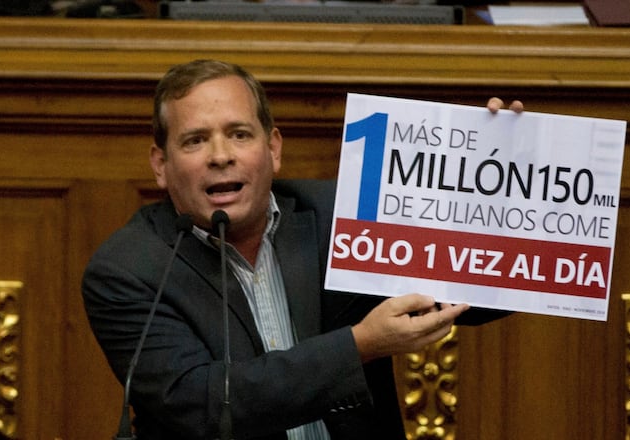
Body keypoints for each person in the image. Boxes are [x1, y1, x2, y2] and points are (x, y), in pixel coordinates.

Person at [82, 59, 521, 440]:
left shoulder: (343, 218)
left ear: (273, 149)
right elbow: (205, 406)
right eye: (195, 140)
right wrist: (359, 345)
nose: (220, 156)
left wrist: (491, 186)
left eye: (239, 134)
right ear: (161, 165)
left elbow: (473, 296)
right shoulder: (128, 270)